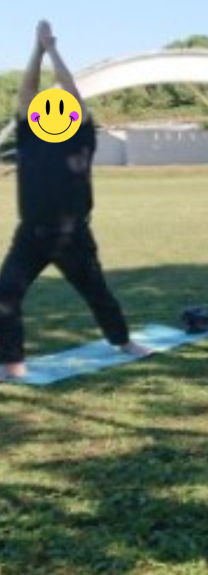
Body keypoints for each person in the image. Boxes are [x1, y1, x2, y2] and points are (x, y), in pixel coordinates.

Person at [0, 21, 151, 380]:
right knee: (5, 293)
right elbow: (28, 92)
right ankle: (11, 362)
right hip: (31, 235)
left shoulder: (82, 138)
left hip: (73, 236)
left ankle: (124, 342)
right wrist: (36, 51)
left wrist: (53, 50)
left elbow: (73, 93)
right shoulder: (28, 138)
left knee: (98, 295)